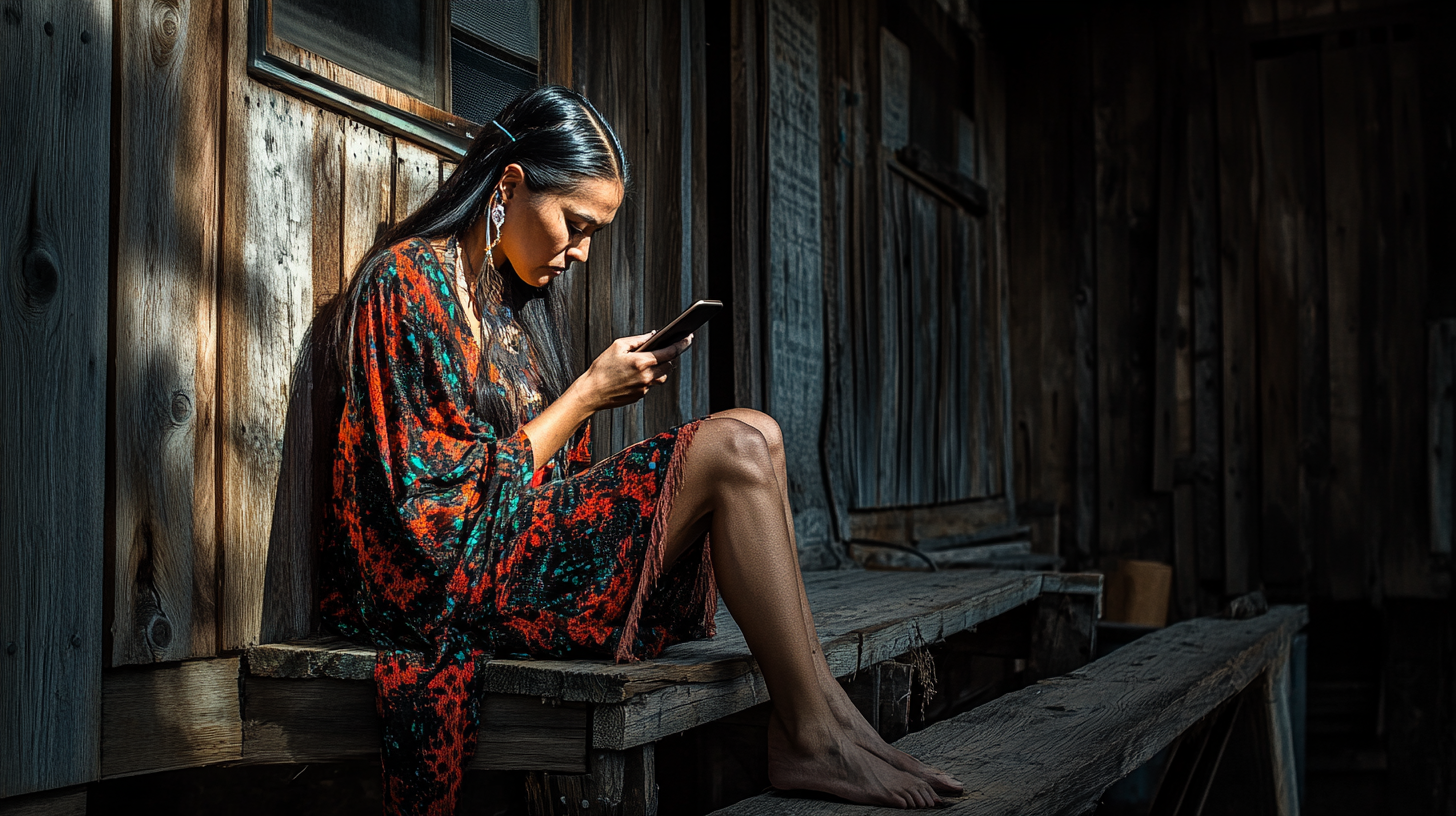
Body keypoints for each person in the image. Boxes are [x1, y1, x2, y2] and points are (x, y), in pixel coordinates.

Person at [317, 85, 963, 815]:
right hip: (438, 586)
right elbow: (429, 513)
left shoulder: (506, 304)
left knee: (760, 431)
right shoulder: (405, 285)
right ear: (509, 185)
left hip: (510, 558)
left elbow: (544, 475)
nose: (583, 252)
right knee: (733, 448)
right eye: (576, 224)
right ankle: (813, 735)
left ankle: (832, 718)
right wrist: (588, 394)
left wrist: (590, 399)